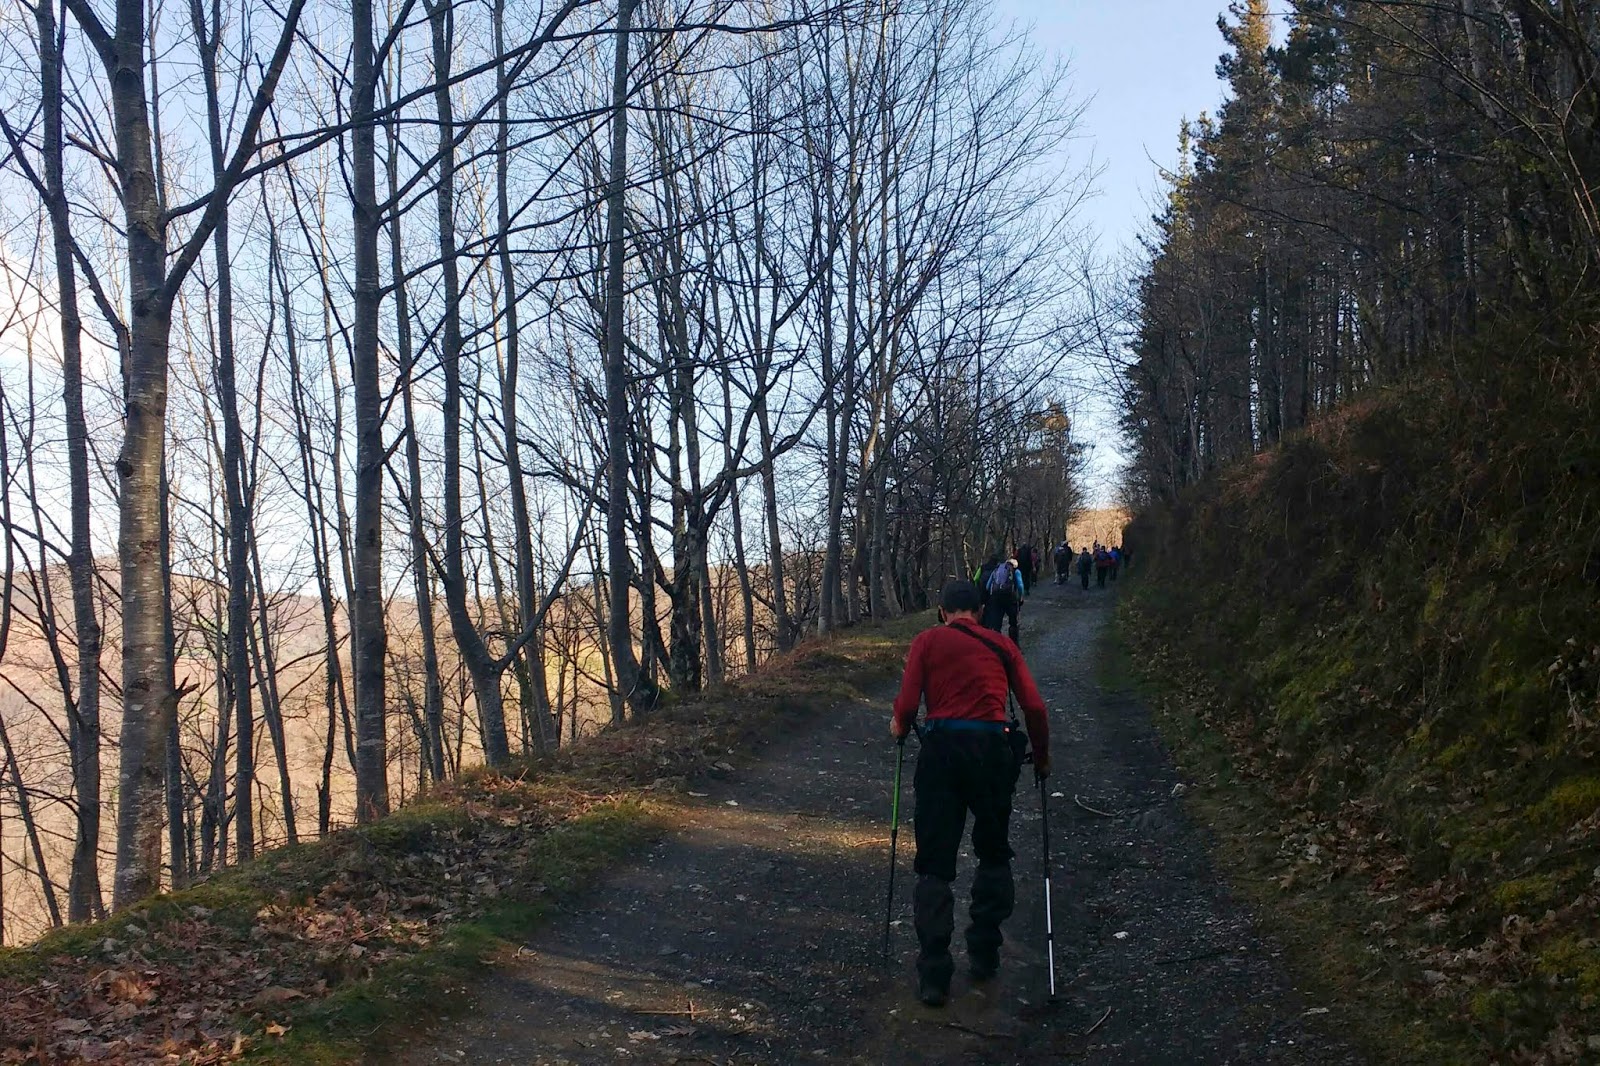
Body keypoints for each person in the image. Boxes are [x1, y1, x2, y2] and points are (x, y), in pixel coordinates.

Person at [891, 580, 1051, 1007]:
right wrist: (1041, 757)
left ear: (942, 612)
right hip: (993, 754)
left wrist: (899, 727)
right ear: (980, 612)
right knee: (994, 853)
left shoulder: (927, 642)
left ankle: (934, 975)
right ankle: (984, 953)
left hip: (941, 754)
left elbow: (906, 706)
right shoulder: (1002, 645)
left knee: (934, 864)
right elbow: (1034, 707)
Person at [982, 555, 1024, 641]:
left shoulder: (996, 570)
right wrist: (1021, 597)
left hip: (996, 599)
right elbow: (1020, 586)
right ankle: (1014, 643)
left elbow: (987, 586)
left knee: (997, 624)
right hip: (1011, 599)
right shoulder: (1016, 571)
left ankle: (998, 643)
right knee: (1013, 623)